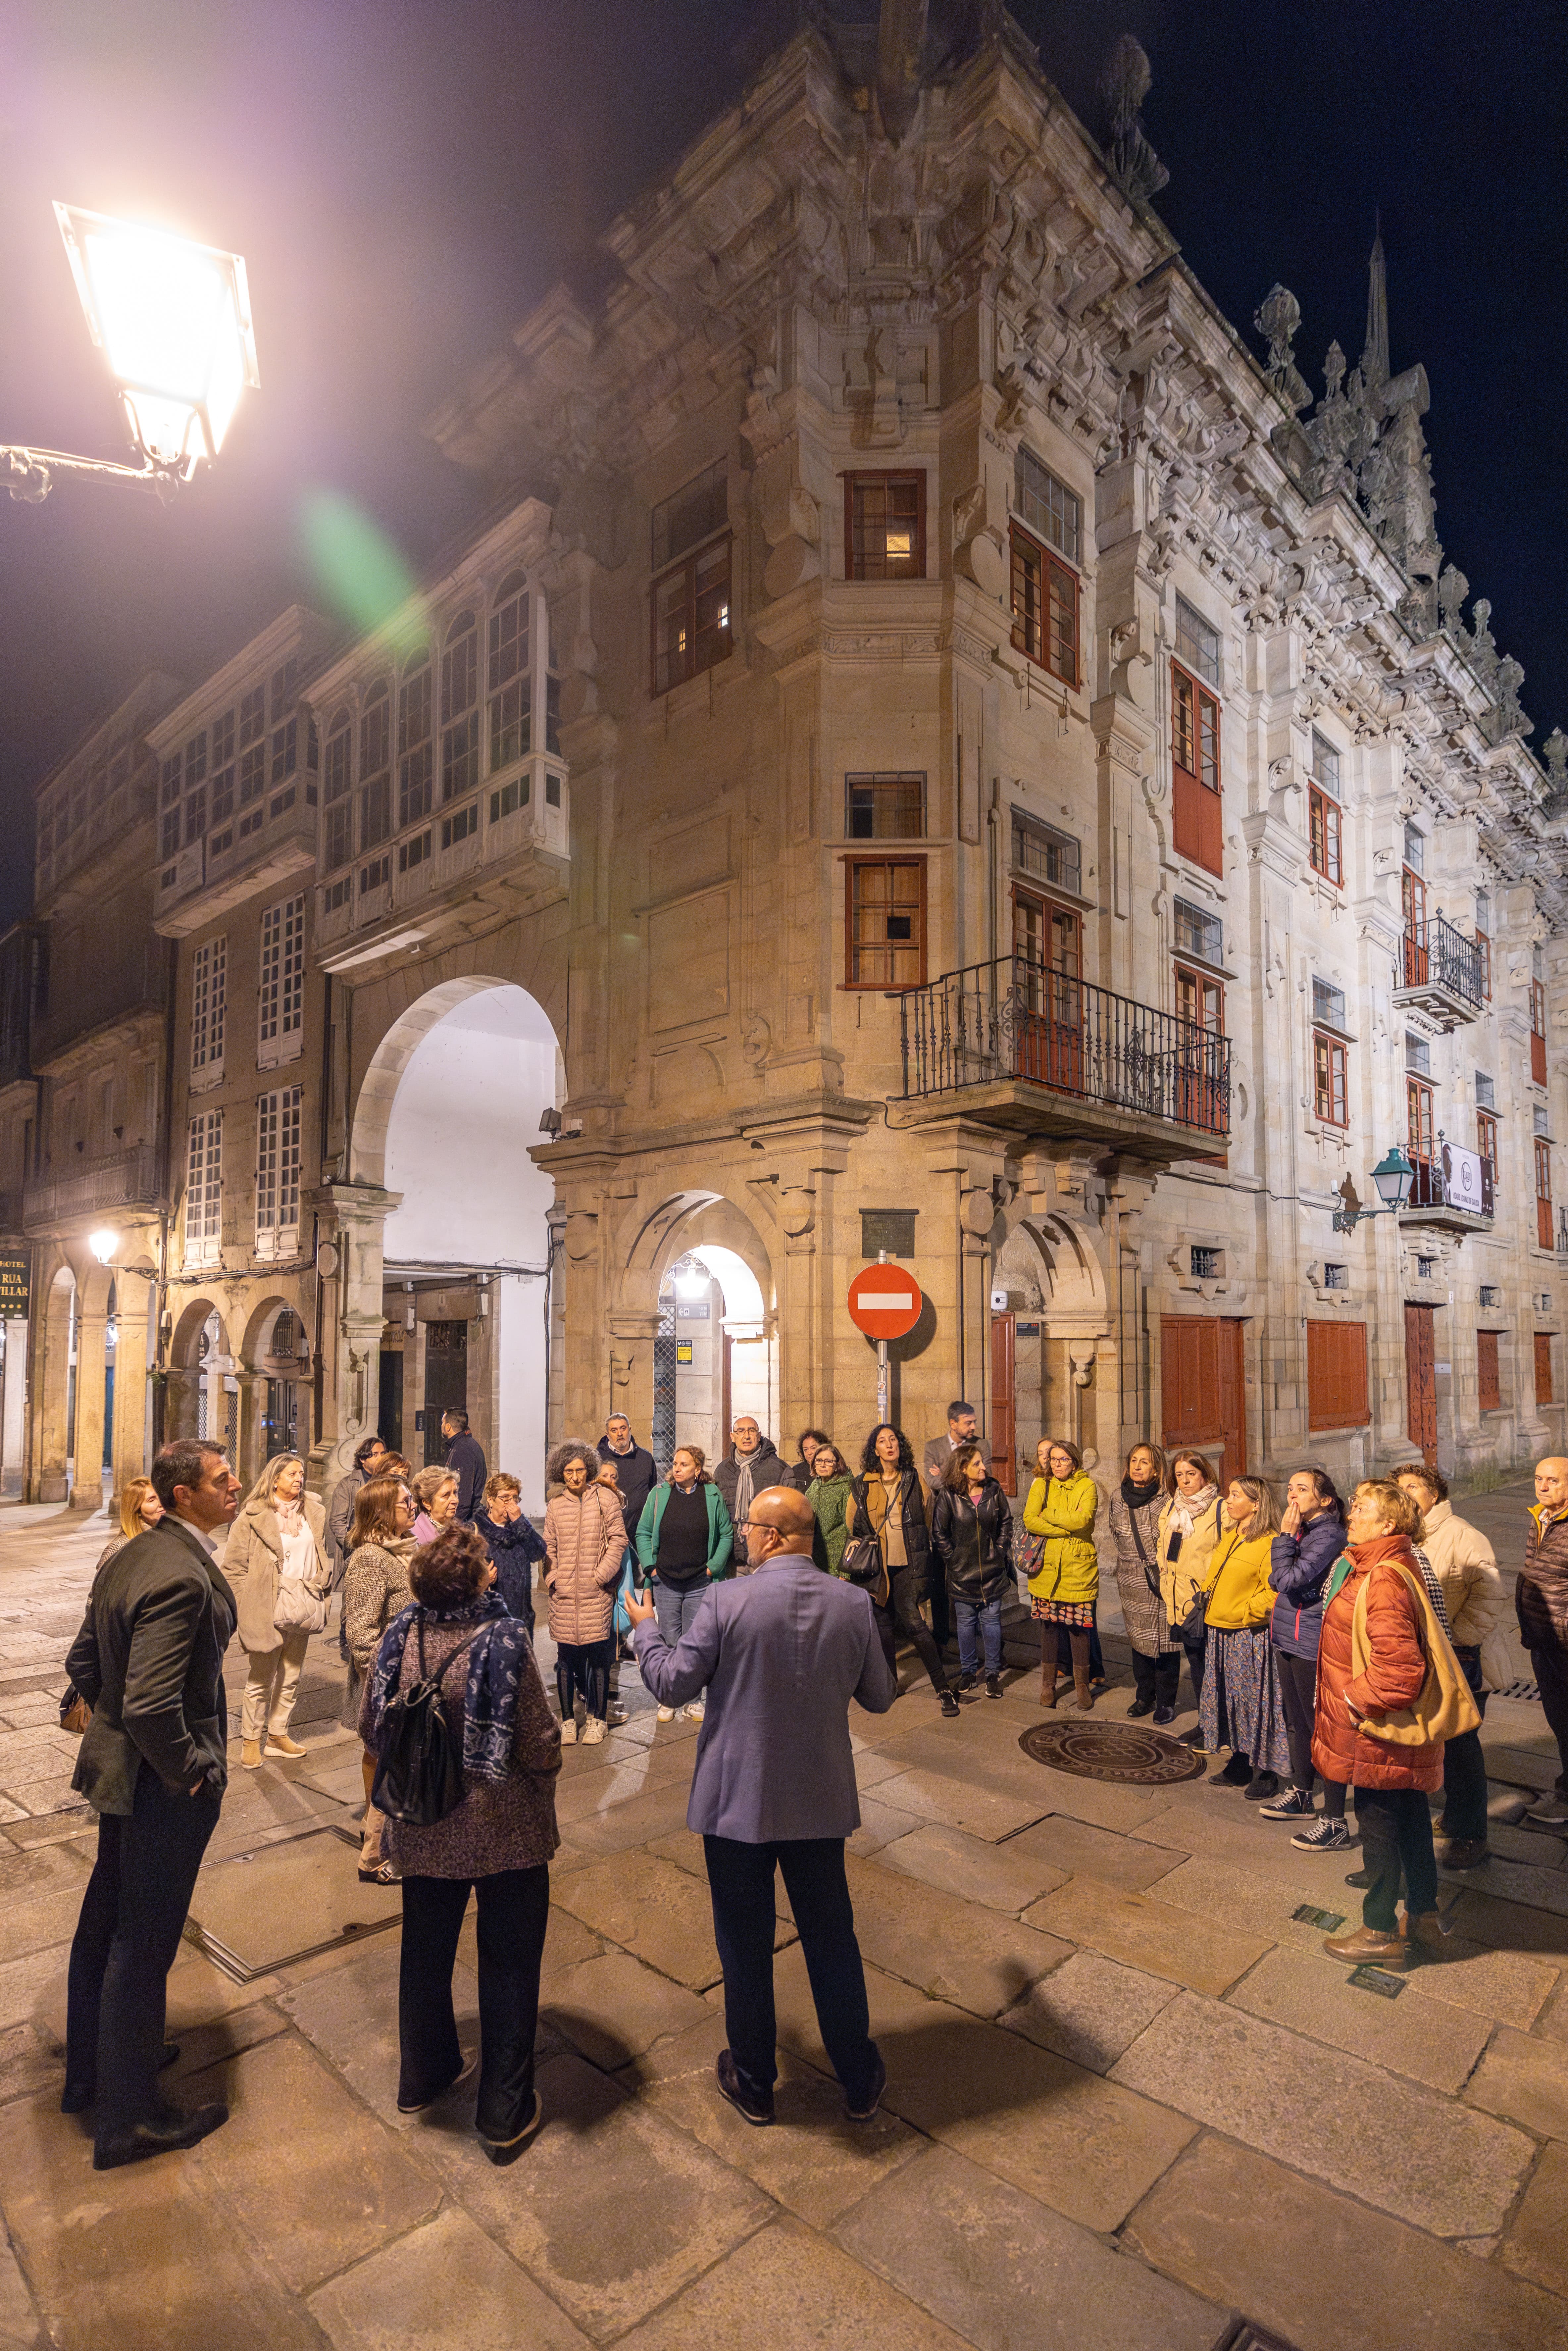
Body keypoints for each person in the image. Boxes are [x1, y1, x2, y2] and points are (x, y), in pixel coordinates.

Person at [623, 1486, 896, 2125]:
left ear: (772, 1536)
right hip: (818, 1800)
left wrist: (645, 1629)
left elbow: (669, 1681)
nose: (742, 1534)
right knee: (832, 1939)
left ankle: (754, 2082)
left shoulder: (727, 1599)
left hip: (735, 1800)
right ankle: (858, 2078)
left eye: (748, 1525)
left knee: (744, 1946)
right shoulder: (853, 1602)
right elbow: (880, 1696)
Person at [62, 1437, 241, 2168]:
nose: (235, 1485)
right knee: (144, 1943)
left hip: (120, 1776)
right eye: (221, 1479)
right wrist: (187, 1769)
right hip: (159, 1789)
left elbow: (84, 1664)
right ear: (183, 1496)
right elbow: (149, 1700)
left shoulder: (134, 1555)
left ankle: (94, 2071)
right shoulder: (181, 1578)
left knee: (106, 1918)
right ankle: (129, 2118)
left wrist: (121, 1732)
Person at [362, 1521, 560, 2161]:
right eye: (483, 1563)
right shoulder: (502, 1639)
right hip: (503, 1828)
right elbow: (539, 1740)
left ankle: (424, 2075)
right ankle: (504, 2109)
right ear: (474, 1580)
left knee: (425, 1953)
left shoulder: (403, 1630)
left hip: (423, 1823)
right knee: (508, 1962)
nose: (494, 1569)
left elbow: (373, 1724)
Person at [1316, 1480, 1448, 1970]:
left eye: (1361, 1507)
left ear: (1388, 1522)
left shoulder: (1384, 1576)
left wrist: (1352, 1700)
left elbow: (1399, 1670)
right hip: (1387, 1732)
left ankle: (1378, 1931)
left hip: (1376, 1732)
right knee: (1410, 1817)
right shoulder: (1376, 1562)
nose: (1351, 1513)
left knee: (1377, 1827)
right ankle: (1423, 1918)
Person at [1397, 1464, 1505, 1868]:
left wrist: (1458, 1638)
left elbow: (1491, 1594)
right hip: (1436, 1659)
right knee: (1445, 1743)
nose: (1405, 1493)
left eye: (1413, 1487)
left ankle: (1472, 1834)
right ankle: (1457, 1815)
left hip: (1467, 1660)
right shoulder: (1410, 1535)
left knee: (1462, 1746)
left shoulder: (1461, 1534)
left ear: (1435, 1495)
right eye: (1399, 1488)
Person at [1259, 1466, 1351, 1845]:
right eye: (1290, 1487)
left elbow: (1286, 1580)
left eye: (1302, 1488)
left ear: (1325, 1499)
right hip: (1288, 1635)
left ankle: (1335, 1820)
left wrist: (1282, 1537)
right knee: (1296, 1721)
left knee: (1320, 1729)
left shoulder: (1328, 1534)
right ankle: (1301, 1792)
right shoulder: (1306, 1530)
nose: (1292, 1494)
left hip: (1310, 1642)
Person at [221, 1453, 330, 1769]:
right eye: (293, 1473)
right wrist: (246, 1604)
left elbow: (320, 1551)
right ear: (275, 1478)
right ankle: (251, 1740)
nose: (299, 1478)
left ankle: (278, 1735)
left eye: (302, 1473)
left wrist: (322, 1580)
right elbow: (233, 1568)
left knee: (291, 1674)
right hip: (266, 1604)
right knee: (261, 1677)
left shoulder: (312, 1511)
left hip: (304, 1602)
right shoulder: (252, 1516)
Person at [847, 1424, 957, 1718]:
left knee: (915, 1624)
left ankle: (942, 1687)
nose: (889, 1445)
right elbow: (852, 1524)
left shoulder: (912, 1479)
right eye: (883, 1441)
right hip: (876, 1567)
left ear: (899, 1446)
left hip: (907, 1562)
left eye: (893, 1439)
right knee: (882, 1624)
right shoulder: (862, 1484)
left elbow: (928, 1512)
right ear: (876, 1450)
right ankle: (890, 1684)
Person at [341, 1475, 418, 1883]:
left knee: (401, 1769)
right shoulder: (370, 1559)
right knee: (390, 1769)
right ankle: (373, 1859)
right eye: (406, 1502)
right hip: (392, 1686)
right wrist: (390, 1681)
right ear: (384, 1511)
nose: (413, 1507)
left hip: (411, 1681)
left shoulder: (405, 1550)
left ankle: (395, 1847)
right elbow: (362, 1636)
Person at [1199, 1476, 1290, 1799]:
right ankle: (1239, 1762)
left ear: (1256, 1503)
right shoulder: (1231, 1534)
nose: (1228, 1499)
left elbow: (1275, 1591)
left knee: (1257, 1704)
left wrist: (1245, 1612)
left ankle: (1266, 1771)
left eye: (1235, 1495)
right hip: (1219, 1631)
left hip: (1246, 1635)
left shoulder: (1269, 1542)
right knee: (1231, 1702)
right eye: (1229, 1494)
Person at [635, 1445, 734, 1723]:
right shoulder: (659, 1494)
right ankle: (668, 1698)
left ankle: (692, 1700)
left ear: (697, 1470)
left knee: (694, 1642)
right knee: (669, 1639)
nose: (677, 1468)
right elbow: (642, 1532)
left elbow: (726, 1534)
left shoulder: (711, 1495)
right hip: (664, 1580)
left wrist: (713, 1567)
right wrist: (650, 1567)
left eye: (684, 1464)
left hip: (699, 1581)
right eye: (676, 1463)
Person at [542, 1444, 625, 1744]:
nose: (575, 1477)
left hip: (596, 1594)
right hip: (564, 1595)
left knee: (600, 1659)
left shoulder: (606, 1499)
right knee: (566, 1660)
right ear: (560, 1473)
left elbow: (618, 1540)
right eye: (568, 1472)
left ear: (588, 1470)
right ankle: (567, 1720)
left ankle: (598, 1719)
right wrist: (553, 1578)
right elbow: (548, 1546)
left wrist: (600, 1576)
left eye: (579, 1470)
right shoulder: (555, 1505)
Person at [931, 1443, 1013, 1698]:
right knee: (965, 1624)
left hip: (992, 1572)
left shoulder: (993, 1489)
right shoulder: (949, 1495)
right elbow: (939, 1533)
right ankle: (968, 1672)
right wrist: (954, 1560)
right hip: (962, 1574)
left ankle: (991, 1674)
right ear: (963, 1468)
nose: (983, 1467)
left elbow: (1006, 1523)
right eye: (977, 1463)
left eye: (982, 1462)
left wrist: (999, 1550)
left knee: (991, 1623)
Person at [1023, 1438, 1099, 1711]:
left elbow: (1083, 1520)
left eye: (1063, 1459)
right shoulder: (1041, 1485)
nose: (1057, 1465)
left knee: (1079, 1629)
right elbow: (1030, 1519)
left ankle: (1082, 1687)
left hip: (1077, 1568)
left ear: (1075, 1461)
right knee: (1049, 1627)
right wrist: (1064, 1528)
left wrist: (1050, 1515)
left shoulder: (1087, 1486)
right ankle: (1048, 1686)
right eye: (1053, 1459)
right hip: (1047, 1569)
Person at [1107, 1446, 1181, 1721]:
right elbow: (1115, 1534)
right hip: (1130, 1578)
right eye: (1134, 1461)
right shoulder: (1117, 1497)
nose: (1138, 1467)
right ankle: (1144, 1696)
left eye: (1145, 1462)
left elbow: (1176, 1541)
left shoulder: (1168, 1501)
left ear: (1156, 1470)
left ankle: (1166, 1701)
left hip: (1160, 1578)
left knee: (1165, 1643)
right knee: (1138, 1640)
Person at [1516, 1457, 1568, 1833]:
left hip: (1564, 1640)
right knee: (1559, 1720)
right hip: (1543, 1639)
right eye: (1538, 1479)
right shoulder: (1542, 1518)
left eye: (1553, 1480)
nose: (1543, 1486)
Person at [1157, 1451, 1224, 1714]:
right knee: (1195, 1662)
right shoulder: (1173, 1506)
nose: (1185, 1481)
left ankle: (1215, 1722)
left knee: (1211, 1665)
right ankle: (1205, 1720)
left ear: (1205, 1474)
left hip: (1205, 1602)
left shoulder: (1220, 1508)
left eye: (1191, 1474)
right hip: (1178, 1598)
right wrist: (1164, 1575)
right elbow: (1162, 1546)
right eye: (1179, 1475)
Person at [474, 1473, 548, 1638]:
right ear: (491, 1500)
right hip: (488, 1621)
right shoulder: (475, 1531)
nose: (512, 1504)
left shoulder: (519, 1529)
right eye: (505, 1498)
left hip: (520, 1620)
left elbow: (539, 1552)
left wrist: (520, 1522)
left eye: (515, 1498)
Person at [715, 1418, 787, 1567]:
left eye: (752, 1431)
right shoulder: (722, 1471)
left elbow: (789, 1516)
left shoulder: (779, 1470)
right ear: (733, 1437)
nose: (746, 1436)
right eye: (741, 1431)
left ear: (759, 1436)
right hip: (732, 1560)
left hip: (767, 1558)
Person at [327, 1434, 388, 1582]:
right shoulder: (348, 1485)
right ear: (363, 1460)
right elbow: (337, 1522)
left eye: (383, 1454)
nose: (381, 1458)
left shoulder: (388, 1482)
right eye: (375, 1455)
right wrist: (354, 1546)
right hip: (357, 1550)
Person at [597, 1415, 658, 1537]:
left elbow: (652, 1491)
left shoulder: (645, 1458)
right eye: (614, 1430)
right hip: (607, 1532)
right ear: (607, 1435)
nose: (619, 1434)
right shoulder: (597, 1459)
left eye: (623, 1429)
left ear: (630, 1429)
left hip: (639, 1532)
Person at [94, 1478, 164, 1575]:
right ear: (137, 1509)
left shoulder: (173, 1535)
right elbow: (102, 1587)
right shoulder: (120, 1546)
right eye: (152, 1500)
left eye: (161, 1497)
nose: (161, 1504)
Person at [805, 1441, 853, 1576]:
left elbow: (851, 1530)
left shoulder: (846, 1487)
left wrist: (846, 1572)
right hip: (815, 1558)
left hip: (837, 1561)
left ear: (838, 1465)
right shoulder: (814, 1486)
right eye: (819, 1460)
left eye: (828, 1461)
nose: (823, 1465)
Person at [441, 1410, 487, 1524]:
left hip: (464, 1521)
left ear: (448, 1427)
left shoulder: (463, 1449)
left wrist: (453, 1525)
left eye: (443, 1423)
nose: (441, 1426)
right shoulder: (464, 1445)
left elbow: (463, 1494)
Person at [411, 1465, 459, 1547]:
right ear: (427, 1503)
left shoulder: (459, 1530)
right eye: (446, 1495)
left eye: (455, 1493)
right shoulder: (415, 1538)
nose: (456, 1500)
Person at [783, 1429, 832, 1494]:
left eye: (813, 1448)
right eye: (806, 1450)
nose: (809, 1453)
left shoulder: (830, 1467)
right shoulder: (797, 1470)